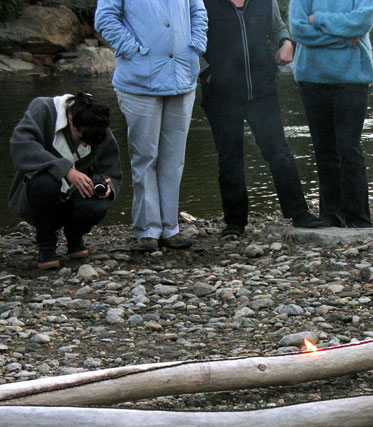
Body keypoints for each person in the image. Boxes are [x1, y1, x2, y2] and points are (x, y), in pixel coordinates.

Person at [201, 0, 323, 238]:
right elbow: (191, 37)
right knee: (230, 159)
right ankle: (235, 223)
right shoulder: (204, 3)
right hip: (221, 93)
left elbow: (278, 29)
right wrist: (205, 72)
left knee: (279, 151)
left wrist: (286, 42)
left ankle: (299, 213)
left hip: (262, 88)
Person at [95, 0, 207, 252]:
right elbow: (105, 18)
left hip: (182, 78)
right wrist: (133, 49)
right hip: (138, 81)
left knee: (174, 158)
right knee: (145, 157)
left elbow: (198, 12)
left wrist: (196, 46)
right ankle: (147, 230)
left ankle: (170, 228)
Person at [290, 0, 373, 229]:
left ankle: (359, 218)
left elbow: (362, 22)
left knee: (349, 148)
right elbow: (299, 29)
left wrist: (317, 20)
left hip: (352, 78)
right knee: (324, 149)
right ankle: (331, 215)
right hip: (311, 77)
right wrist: (342, 40)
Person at [9, 92, 121, 269]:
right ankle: (46, 244)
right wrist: (65, 170)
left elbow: (111, 170)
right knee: (43, 183)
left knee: (97, 205)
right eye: (82, 138)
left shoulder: (96, 125)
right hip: (40, 196)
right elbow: (21, 147)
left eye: (90, 142)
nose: (85, 145)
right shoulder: (43, 109)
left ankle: (74, 236)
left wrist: (107, 185)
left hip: (75, 197)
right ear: (70, 119)